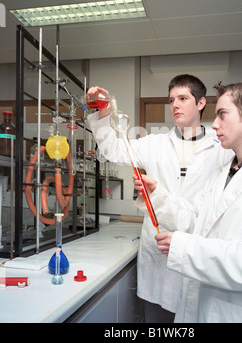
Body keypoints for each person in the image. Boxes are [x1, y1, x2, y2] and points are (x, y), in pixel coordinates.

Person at [134, 80, 242, 323]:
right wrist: (157, 196)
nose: (213, 124)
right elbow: (194, 219)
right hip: (203, 307)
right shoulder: (223, 173)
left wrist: (184, 249)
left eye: (223, 114)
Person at [86, 74, 233, 323]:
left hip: (195, 253)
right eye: (171, 99)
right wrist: (103, 112)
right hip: (158, 255)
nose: (175, 104)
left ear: (200, 103)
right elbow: (112, 150)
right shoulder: (154, 144)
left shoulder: (221, 148)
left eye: (183, 98)